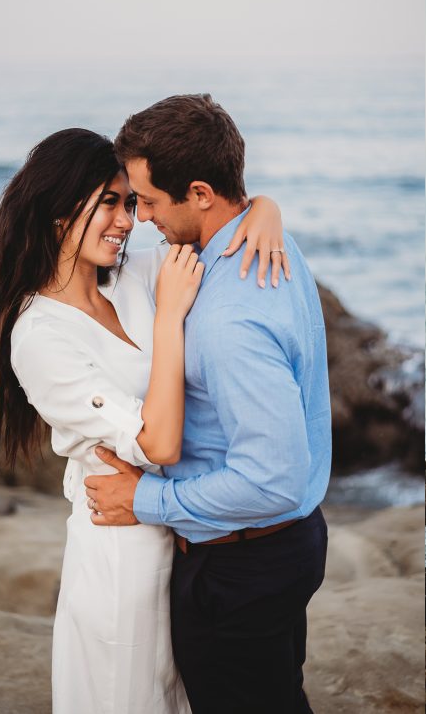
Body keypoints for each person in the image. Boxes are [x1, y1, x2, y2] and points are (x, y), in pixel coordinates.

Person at [0, 126, 287, 713]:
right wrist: (169, 322)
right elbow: (161, 443)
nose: (127, 220)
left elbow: (212, 222)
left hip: (189, 539)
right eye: (108, 203)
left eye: (129, 201)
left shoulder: (133, 277)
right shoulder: (40, 335)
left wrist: (267, 211)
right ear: (59, 213)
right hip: (122, 553)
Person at [84, 94, 331, 714]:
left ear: (199, 193)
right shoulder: (266, 239)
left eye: (146, 200)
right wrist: (265, 206)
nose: (139, 218)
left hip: (243, 564)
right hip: (280, 548)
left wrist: (146, 500)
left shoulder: (229, 320)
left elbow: (272, 480)